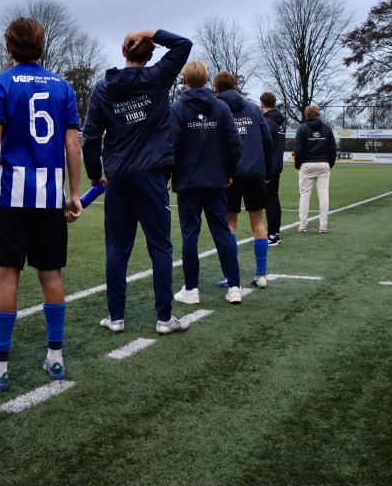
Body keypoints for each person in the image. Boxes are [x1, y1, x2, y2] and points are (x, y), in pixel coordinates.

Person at [0, 17, 83, 392]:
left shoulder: (0, 83)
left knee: (6, 276)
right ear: (42, 45)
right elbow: (72, 144)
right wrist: (74, 193)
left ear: (9, 46)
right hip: (51, 197)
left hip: (11, 196)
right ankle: (55, 357)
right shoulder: (62, 86)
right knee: (50, 275)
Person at [82, 28, 192, 334]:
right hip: (151, 175)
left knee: (117, 248)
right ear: (150, 54)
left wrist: (94, 173)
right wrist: (151, 32)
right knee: (160, 247)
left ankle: (116, 317)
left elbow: (90, 137)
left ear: (123, 52)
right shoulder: (157, 77)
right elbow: (183, 45)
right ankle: (164, 318)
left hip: (117, 177)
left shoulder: (104, 89)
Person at [169, 61, 243, 305]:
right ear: (206, 79)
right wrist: (228, 172)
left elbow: (171, 146)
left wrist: (169, 175)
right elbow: (235, 144)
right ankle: (234, 286)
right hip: (215, 181)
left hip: (188, 182)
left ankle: (191, 289)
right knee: (222, 232)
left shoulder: (178, 108)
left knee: (190, 235)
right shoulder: (221, 107)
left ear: (185, 80)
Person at [213, 72, 274, 289]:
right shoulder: (253, 109)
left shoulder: (216, 108)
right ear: (235, 86)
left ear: (216, 88)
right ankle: (261, 275)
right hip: (255, 173)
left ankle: (232, 278)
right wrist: (267, 171)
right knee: (258, 223)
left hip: (229, 174)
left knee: (230, 224)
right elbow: (267, 140)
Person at [293, 105, 337, 233]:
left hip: (306, 165)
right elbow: (333, 149)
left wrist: (298, 165)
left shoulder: (302, 128)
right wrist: (329, 164)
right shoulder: (327, 128)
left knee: (304, 195)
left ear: (306, 115)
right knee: (323, 194)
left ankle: (303, 225)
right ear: (318, 114)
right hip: (323, 164)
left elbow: (298, 149)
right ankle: (323, 225)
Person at [260, 92, 286, 246]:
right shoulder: (280, 122)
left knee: (269, 201)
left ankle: (272, 235)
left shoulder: (267, 122)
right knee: (274, 200)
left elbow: (265, 145)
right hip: (277, 165)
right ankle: (275, 232)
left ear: (262, 103)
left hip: (268, 167)